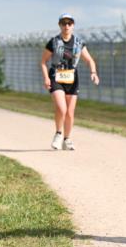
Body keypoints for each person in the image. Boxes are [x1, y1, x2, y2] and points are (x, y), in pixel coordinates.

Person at [40, 13, 99, 150]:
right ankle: (58, 134)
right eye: (63, 23)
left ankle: (67, 139)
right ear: (59, 25)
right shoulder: (53, 42)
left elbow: (89, 60)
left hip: (72, 79)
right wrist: (46, 78)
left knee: (70, 112)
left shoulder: (78, 42)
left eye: (69, 23)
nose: (66, 26)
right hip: (56, 77)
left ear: (73, 25)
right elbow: (43, 61)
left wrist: (93, 73)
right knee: (62, 108)